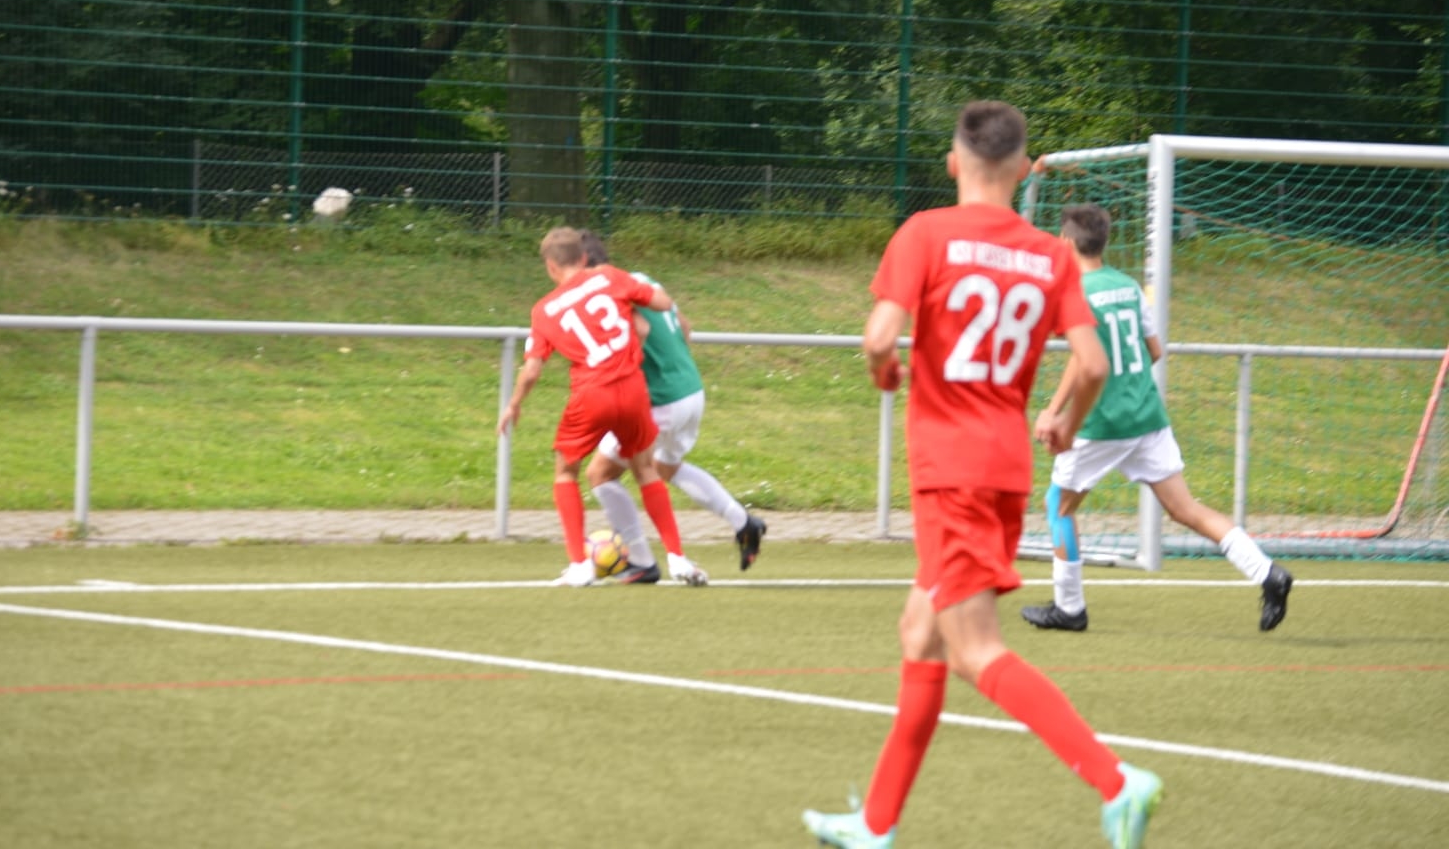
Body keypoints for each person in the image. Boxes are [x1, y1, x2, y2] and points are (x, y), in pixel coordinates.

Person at [802, 102, 1163, 849]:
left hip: (951, 471)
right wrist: (1067, 422)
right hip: (1004, 466)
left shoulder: (925, 232)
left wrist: (883, 369)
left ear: (951, 163)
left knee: (974, 650)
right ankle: (875, 824)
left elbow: (878, 336)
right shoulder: (1052, 255)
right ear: (1026, 170)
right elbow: (1093, 363)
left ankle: (1116, 781)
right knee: (920, 632)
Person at [1021, 202, 1293, 633]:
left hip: (1103, 422)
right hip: (1147, 416)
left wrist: (1054, 411)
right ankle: (1267, 572)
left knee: (1059, 505)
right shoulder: (1129, 287)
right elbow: (1153, 350)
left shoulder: (1074, 292)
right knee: (1185, 508)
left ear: (1066, 243)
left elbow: (1086, 358)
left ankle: (1069, 608)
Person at [495, 226, 706, 587]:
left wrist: (514, 405)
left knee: (566, 471)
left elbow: (531, 370)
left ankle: (579, 565)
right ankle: (678, 559)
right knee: (646, 470)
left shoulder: (544, 310)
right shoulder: (609, 276)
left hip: (592, 393)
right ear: (582, 258)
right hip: (634, 389)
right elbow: (661, 304)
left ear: (550, 266)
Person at [579, 231, 767, 583]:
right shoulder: (642, 279)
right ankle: (744, 523)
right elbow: (684, 326)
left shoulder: (604, 292)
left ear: (582, 265)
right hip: (689, 389)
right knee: (665, 467)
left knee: (600, 474)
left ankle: (641, 561)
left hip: (660, 399)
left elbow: (639, 330)